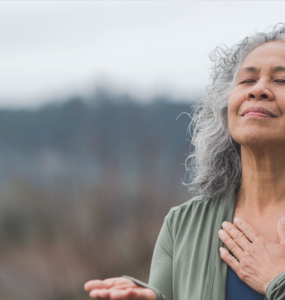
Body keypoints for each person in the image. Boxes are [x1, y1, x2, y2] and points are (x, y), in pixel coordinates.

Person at [84, 24, 285, 300]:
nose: (258, 89)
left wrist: (277, 279)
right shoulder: (182, 225)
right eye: (247, 81)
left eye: (281, 81)